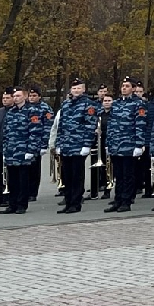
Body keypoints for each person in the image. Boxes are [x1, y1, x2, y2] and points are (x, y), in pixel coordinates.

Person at [1, 86, 51, 215]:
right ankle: (12, 204)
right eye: (14, 96)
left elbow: (35, 132)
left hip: (24, 150)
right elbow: (6, 133)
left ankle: (22, 204)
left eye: (18, 96)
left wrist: (31, 149)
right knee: (12, 180)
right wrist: (5, 150)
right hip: (12, 151)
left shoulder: (32, 111)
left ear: (24, 96)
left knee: (23, 179)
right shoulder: (11, 112)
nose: (15, 98)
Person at [54, 78, 100, 214]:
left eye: (79, 88)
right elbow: (60, 126)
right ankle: (68, 202)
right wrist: (59, 144)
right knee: (66, 176)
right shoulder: (66, 104)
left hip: (79, 146)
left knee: (77, 176)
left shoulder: (89, 105)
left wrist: (86, 145)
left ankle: (76, 203)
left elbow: (90, 125)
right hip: (66, 146)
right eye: (74, 89)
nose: (76, 91)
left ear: (84, 89)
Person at [103, 77, 150, 212]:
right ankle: (118, 200)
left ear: (133, 88)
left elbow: (140, 124)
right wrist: (108, 143)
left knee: (128, 174)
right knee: (118, 175)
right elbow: (111, 125)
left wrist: (139, 144)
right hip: (116, 145)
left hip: (129, 144)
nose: (124, 88)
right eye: (123, 86)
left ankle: (126, 201)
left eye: (127, 86)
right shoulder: (116, 104)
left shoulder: (138, 104)